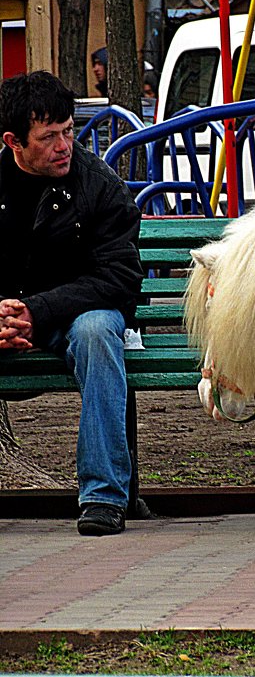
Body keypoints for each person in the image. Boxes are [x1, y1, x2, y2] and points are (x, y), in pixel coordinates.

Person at [0, 71, 142, 536]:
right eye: (49, 137)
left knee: (99, 330)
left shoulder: (98, 184)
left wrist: (36, 310)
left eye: (68, 131)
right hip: (6, 316)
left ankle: (103, 498)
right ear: (13, 142)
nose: (64, 145)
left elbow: (120, 277)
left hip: (72, 315)